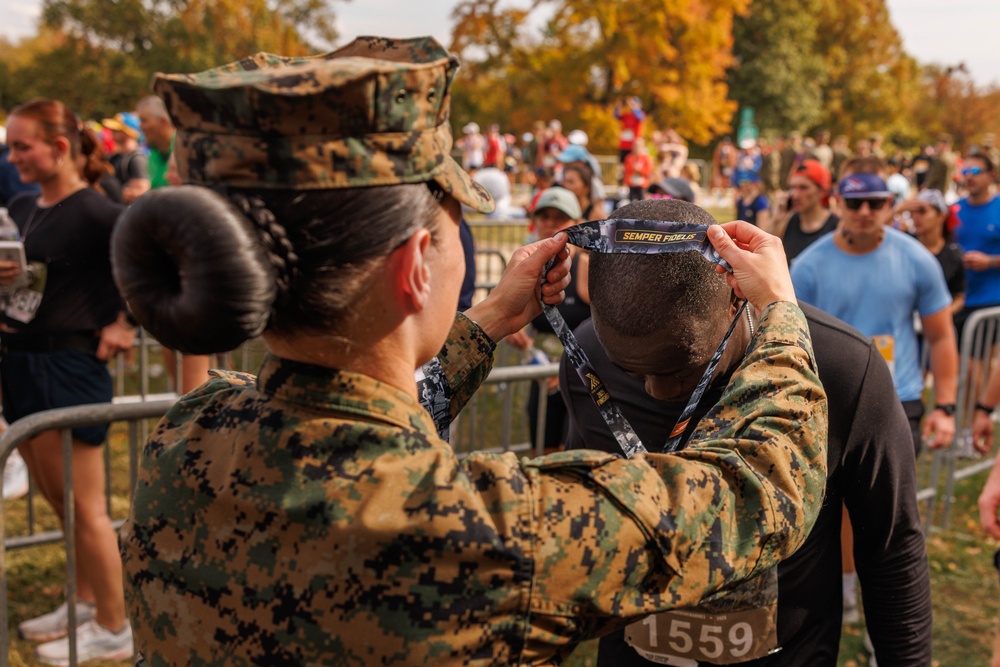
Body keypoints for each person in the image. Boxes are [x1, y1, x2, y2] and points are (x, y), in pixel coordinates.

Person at [114, 37, 827, 665]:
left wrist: (484, 321)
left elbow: (354, 420)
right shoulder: (492, 534)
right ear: (418, 262)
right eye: (457, 224)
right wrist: (777, 312)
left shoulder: (186, 439)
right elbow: (760, 486)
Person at [562, 197, 932, 667]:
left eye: (682, 367)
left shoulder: (841, 366)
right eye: (630, 374)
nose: (656, 392)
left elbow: (892, 548)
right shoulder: (586, 359)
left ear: (735, 291)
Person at [1, 98, 135, 663]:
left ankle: (116, 624)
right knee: (60, 504)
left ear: (60, 148)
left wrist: (125, 323)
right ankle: (85, 601)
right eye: (10, 146)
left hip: (71, 367)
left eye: (22, 146)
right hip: (23, 361)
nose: (13, 157)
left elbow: (157, 266)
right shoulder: (24, 203)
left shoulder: (98, 212)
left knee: (87, 507)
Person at [505, 187, 587, 452]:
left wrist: (566, 369)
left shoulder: (586, 267)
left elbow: (604, 331)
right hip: (541, 377)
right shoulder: (528, 268)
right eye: (544, 216)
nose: (551, 224)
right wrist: (514, 332)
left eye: (559, 217)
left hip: (581, 381)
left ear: (576, 224)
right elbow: (518, 321)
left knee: (569, 456)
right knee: (541, 449)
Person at [900, 188, 965, 313]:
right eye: (913, 212)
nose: (916, 217)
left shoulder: (953, 254)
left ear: (941, 216)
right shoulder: (903, 245)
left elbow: (959, 296)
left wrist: (941, 316)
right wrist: (897, 209)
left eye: (922, 211)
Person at [774, 160, 838, 264]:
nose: (795, 195)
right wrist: (776, 220)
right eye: (792, 188)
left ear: (822, 191)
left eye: (803, 188)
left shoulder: (836, 228)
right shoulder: (788, 223)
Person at [102, 111, 149, 202]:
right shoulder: (114, 157)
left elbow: (141, 193)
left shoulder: (137, 159)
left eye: (116, 130)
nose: (112, 132)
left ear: (128, 132)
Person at [614, 96, 645, 163]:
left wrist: (634, 106)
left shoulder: (640, 114)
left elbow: (640, 117)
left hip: (634, 145)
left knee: (632, 163)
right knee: (622, 163)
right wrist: (618, 106)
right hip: (624, 144)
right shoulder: (627, 115)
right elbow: (616, 115)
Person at [623, 137, 654, 202]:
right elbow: (626, 171)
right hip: (632, 183)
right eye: (635, 145)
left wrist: (640, 170)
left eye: (638, 145)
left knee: (642, 202)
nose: (636, 147)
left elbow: (649, 171)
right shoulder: (629, 157)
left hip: (642, 184)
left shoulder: (646, 158)